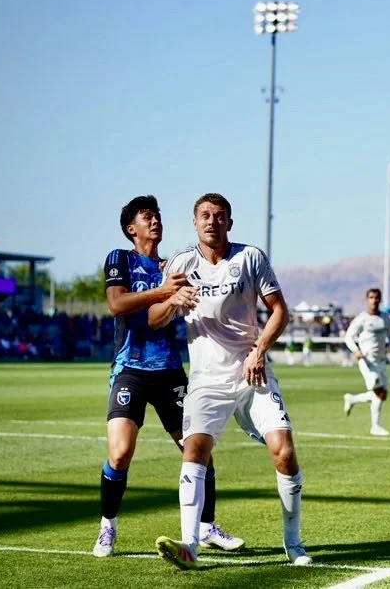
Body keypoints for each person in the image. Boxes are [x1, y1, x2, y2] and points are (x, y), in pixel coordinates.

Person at [148, 193, 310, 569]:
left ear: (230, 223)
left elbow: (280, 312)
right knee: (195, 450)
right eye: (204, 215)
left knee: (284, 453)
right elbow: (154, 318)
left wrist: (259, 350)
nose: (212, 221)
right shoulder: (181, 262)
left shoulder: (250, 258)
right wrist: (173, 300)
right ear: (194, 222)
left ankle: (293, 542)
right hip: (207, 381)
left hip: (251, 372)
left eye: (219, 216)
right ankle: (189, 545)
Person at [94, 195, 242, 557]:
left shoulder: (175, 265)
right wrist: (163, 291)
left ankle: (206, 528)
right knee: (121, 452)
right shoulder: (121, 259)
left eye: (157, 215)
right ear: (132, 228)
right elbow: (116, 305)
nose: (155, 220)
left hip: (170, 371)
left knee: (197, 449)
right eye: (147, 217)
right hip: (130, 368)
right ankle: (107, 527)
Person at [343, 288, 390, 436]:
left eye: (377, 297)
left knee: (382, 394)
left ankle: (352, 399)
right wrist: (356, 350)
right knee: (379, 392)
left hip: (381, 361)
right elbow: (348, 337)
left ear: (380, 299)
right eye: (371, 297)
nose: (374, 300)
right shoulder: (362, 319)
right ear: (367, 299)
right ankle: (375, 427)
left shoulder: (384, 318)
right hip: (367, 361)